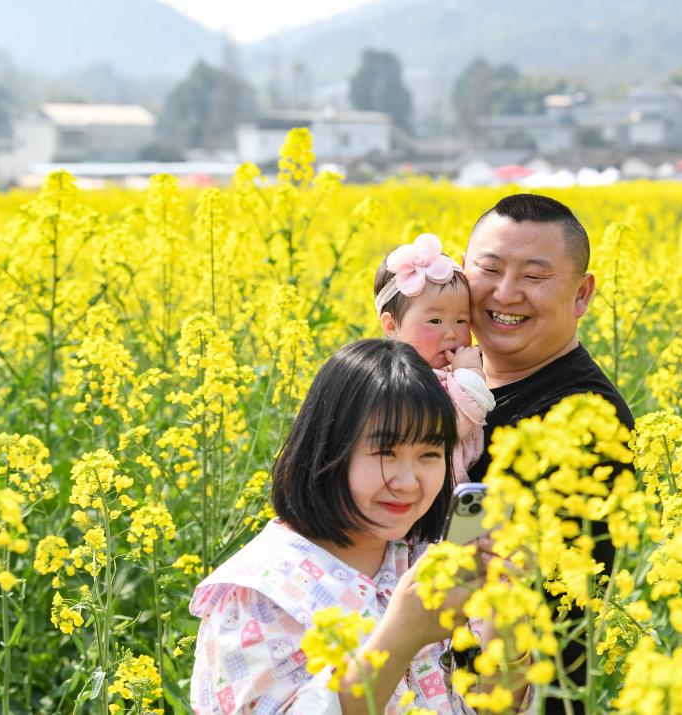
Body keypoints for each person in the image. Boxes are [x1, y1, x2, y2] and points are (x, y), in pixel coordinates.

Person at [189, 340, 481, 714]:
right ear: (328, 450)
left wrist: (507, 628)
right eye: (385, 453)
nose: (409, 482)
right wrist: (402, 635)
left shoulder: (421, 556)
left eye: (429, 454)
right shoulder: (260, 593)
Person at [463, 193, 634, 715]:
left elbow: (499, 587)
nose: (506, 293)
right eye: (488, 269)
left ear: (581, 295)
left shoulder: (583, 419)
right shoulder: (451, 385)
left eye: (535, 277)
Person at [374, 232, 495, 489]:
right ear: (391, 325)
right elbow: (449, 424)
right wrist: (470, 376)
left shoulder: (444, 372)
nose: (451, 333)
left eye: (462, 321)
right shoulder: (395, 379)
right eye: (435, 321)